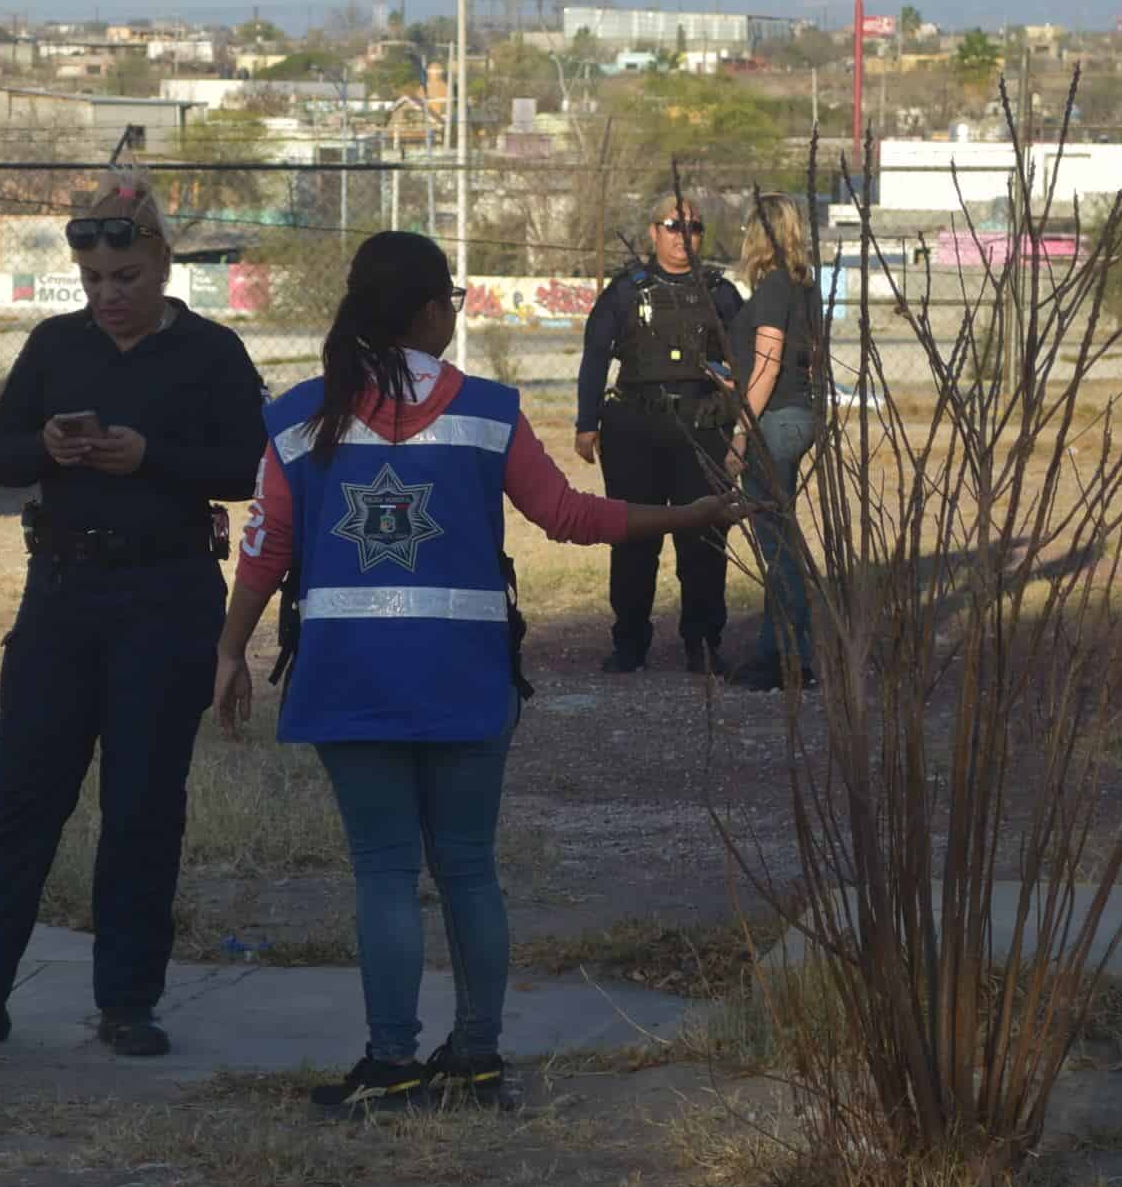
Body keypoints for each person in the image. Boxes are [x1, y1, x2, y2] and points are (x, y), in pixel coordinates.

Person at [213, 231, 755, 1114]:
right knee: (468, 868)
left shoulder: (298, 417)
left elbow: (267, 549)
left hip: (347, 678)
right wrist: (684, 513)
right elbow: (570, 516)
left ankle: (390, 1065)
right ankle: (475, 1056)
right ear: (429, 312)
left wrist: (234, 648)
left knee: (384, 869)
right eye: (452, 305)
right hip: (465, 675)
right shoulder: (489, 411)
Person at [0, 172, 267, 1060]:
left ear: (163, 264)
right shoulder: (57, 345)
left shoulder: (212, 353)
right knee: (22, 802)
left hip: (166, 598)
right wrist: (47, 446)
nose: (109, 298)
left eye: (126, 278)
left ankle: (127, 1001)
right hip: (60, 594)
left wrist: (151, 459)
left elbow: (247, 468)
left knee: (141, 807)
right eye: (93, 281)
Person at [574, 194, 745, 674]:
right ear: (654, 232)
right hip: (635, 427)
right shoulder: (627, 290)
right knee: (633, 537)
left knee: (705, 536)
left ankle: (704, 641)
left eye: (693, 227)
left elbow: (746, 361)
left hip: (703, 426)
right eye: (672, 225)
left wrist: (742, 428)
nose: (682, 235)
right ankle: (629, 641)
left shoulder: (721, 292)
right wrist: (586, 422)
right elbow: (595, 354)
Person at [722, 193, 822, 693]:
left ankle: (789, 658)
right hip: (796, 414)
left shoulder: (774, 288)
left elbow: (768, 365)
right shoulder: (804, 288)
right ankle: (777, 650)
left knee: (776, 543)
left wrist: (741, 431)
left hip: (775, 422)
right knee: (778, 537)